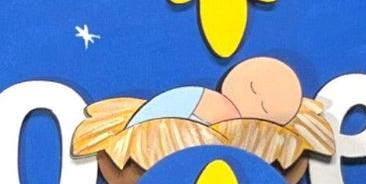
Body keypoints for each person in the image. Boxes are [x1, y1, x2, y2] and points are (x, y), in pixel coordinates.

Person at [126, 56, 303, 131]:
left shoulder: (234, 126)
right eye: (253, 88)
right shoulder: (203, 99)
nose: (255, 99)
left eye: (264, 107)